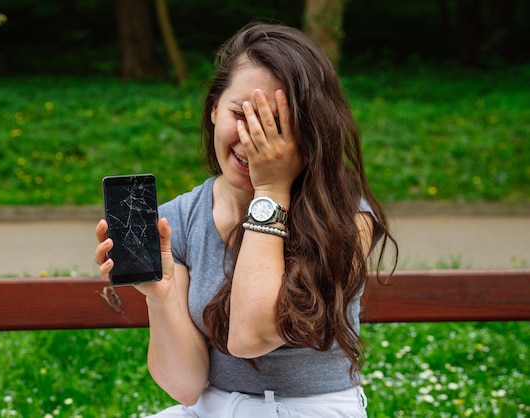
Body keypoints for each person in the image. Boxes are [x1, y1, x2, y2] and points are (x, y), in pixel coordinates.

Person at [95, 22, 396, 417]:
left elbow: (249, 336)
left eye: (275, 124)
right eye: (241, 114)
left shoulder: (347, 216)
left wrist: (270, 193)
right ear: (214, 107)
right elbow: (185, 387)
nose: (251, 138)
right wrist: (163, 297)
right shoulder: (178, 220)